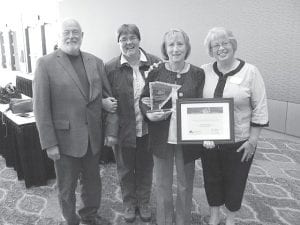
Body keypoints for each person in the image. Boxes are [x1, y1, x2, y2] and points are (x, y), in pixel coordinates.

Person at [33, 18, 118, 225]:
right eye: (67, 32)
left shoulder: (95, 62)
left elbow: (108, 100)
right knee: (66, 186)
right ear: (59, 36)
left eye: (75, 32)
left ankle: (90, 215)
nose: (71, 36)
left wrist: (111, 129)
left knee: (93, 182)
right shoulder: (45, 63)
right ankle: (70, 219)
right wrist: (49, 143)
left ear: (82, 36)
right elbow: (41, 108)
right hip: (63, 140)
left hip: (92, 137)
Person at [200, 27, 269, 225]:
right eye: (216, 45)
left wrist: (253, 141)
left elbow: (260, 107)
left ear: (233, 45)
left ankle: (231, 219)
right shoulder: (204, 71)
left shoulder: (250, 72)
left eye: (225, 43)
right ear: (210, 50)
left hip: (240, 141)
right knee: (211, 178)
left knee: (235, 182)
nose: (221, 48)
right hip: (209, 142)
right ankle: (214, 215)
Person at [140, 29, 205, 225]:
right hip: (162, 137)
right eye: (171, 45)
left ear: (187, 47)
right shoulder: (156, 71)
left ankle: (182, 221)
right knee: (162, 184)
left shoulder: (197, 73)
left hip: (187, 138)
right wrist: (149, 114)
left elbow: (202, 104)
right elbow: (143, 99)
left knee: (185, 185)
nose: (175, 49)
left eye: (180, 44)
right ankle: (165, 221)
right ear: (165, 48)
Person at [104, 24, 160, 223]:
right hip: (123, 129)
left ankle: (143, 202)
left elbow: (163, 95)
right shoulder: (110, 68)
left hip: (148, 128)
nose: (128, 42)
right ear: (118, 43)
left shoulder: (156, 63)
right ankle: (129, 203)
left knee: (146, 167)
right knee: (125, 169)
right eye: (123, 39)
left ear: (139, 39)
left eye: (132, 37)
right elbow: (107, 99)